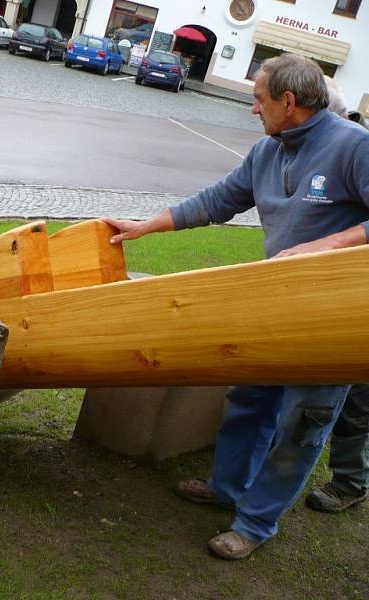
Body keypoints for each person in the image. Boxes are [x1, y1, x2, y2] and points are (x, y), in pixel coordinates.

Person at [101, 54, 369, 560]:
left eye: (258, 99)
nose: (252, 110)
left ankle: (255, 522)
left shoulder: (354, 147)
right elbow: (219, 199)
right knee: (249, 399)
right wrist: (143, 227)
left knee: (301, 424)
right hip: (273, 305)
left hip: (334, 317)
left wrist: (332, 243)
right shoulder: (268, 151)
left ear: (288, 103)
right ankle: (227, 487)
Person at [304, 77, 369, 514]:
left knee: (358, 403)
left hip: (360, 300)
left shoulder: (357, 149)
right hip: (332, 295)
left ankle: (350, 482)